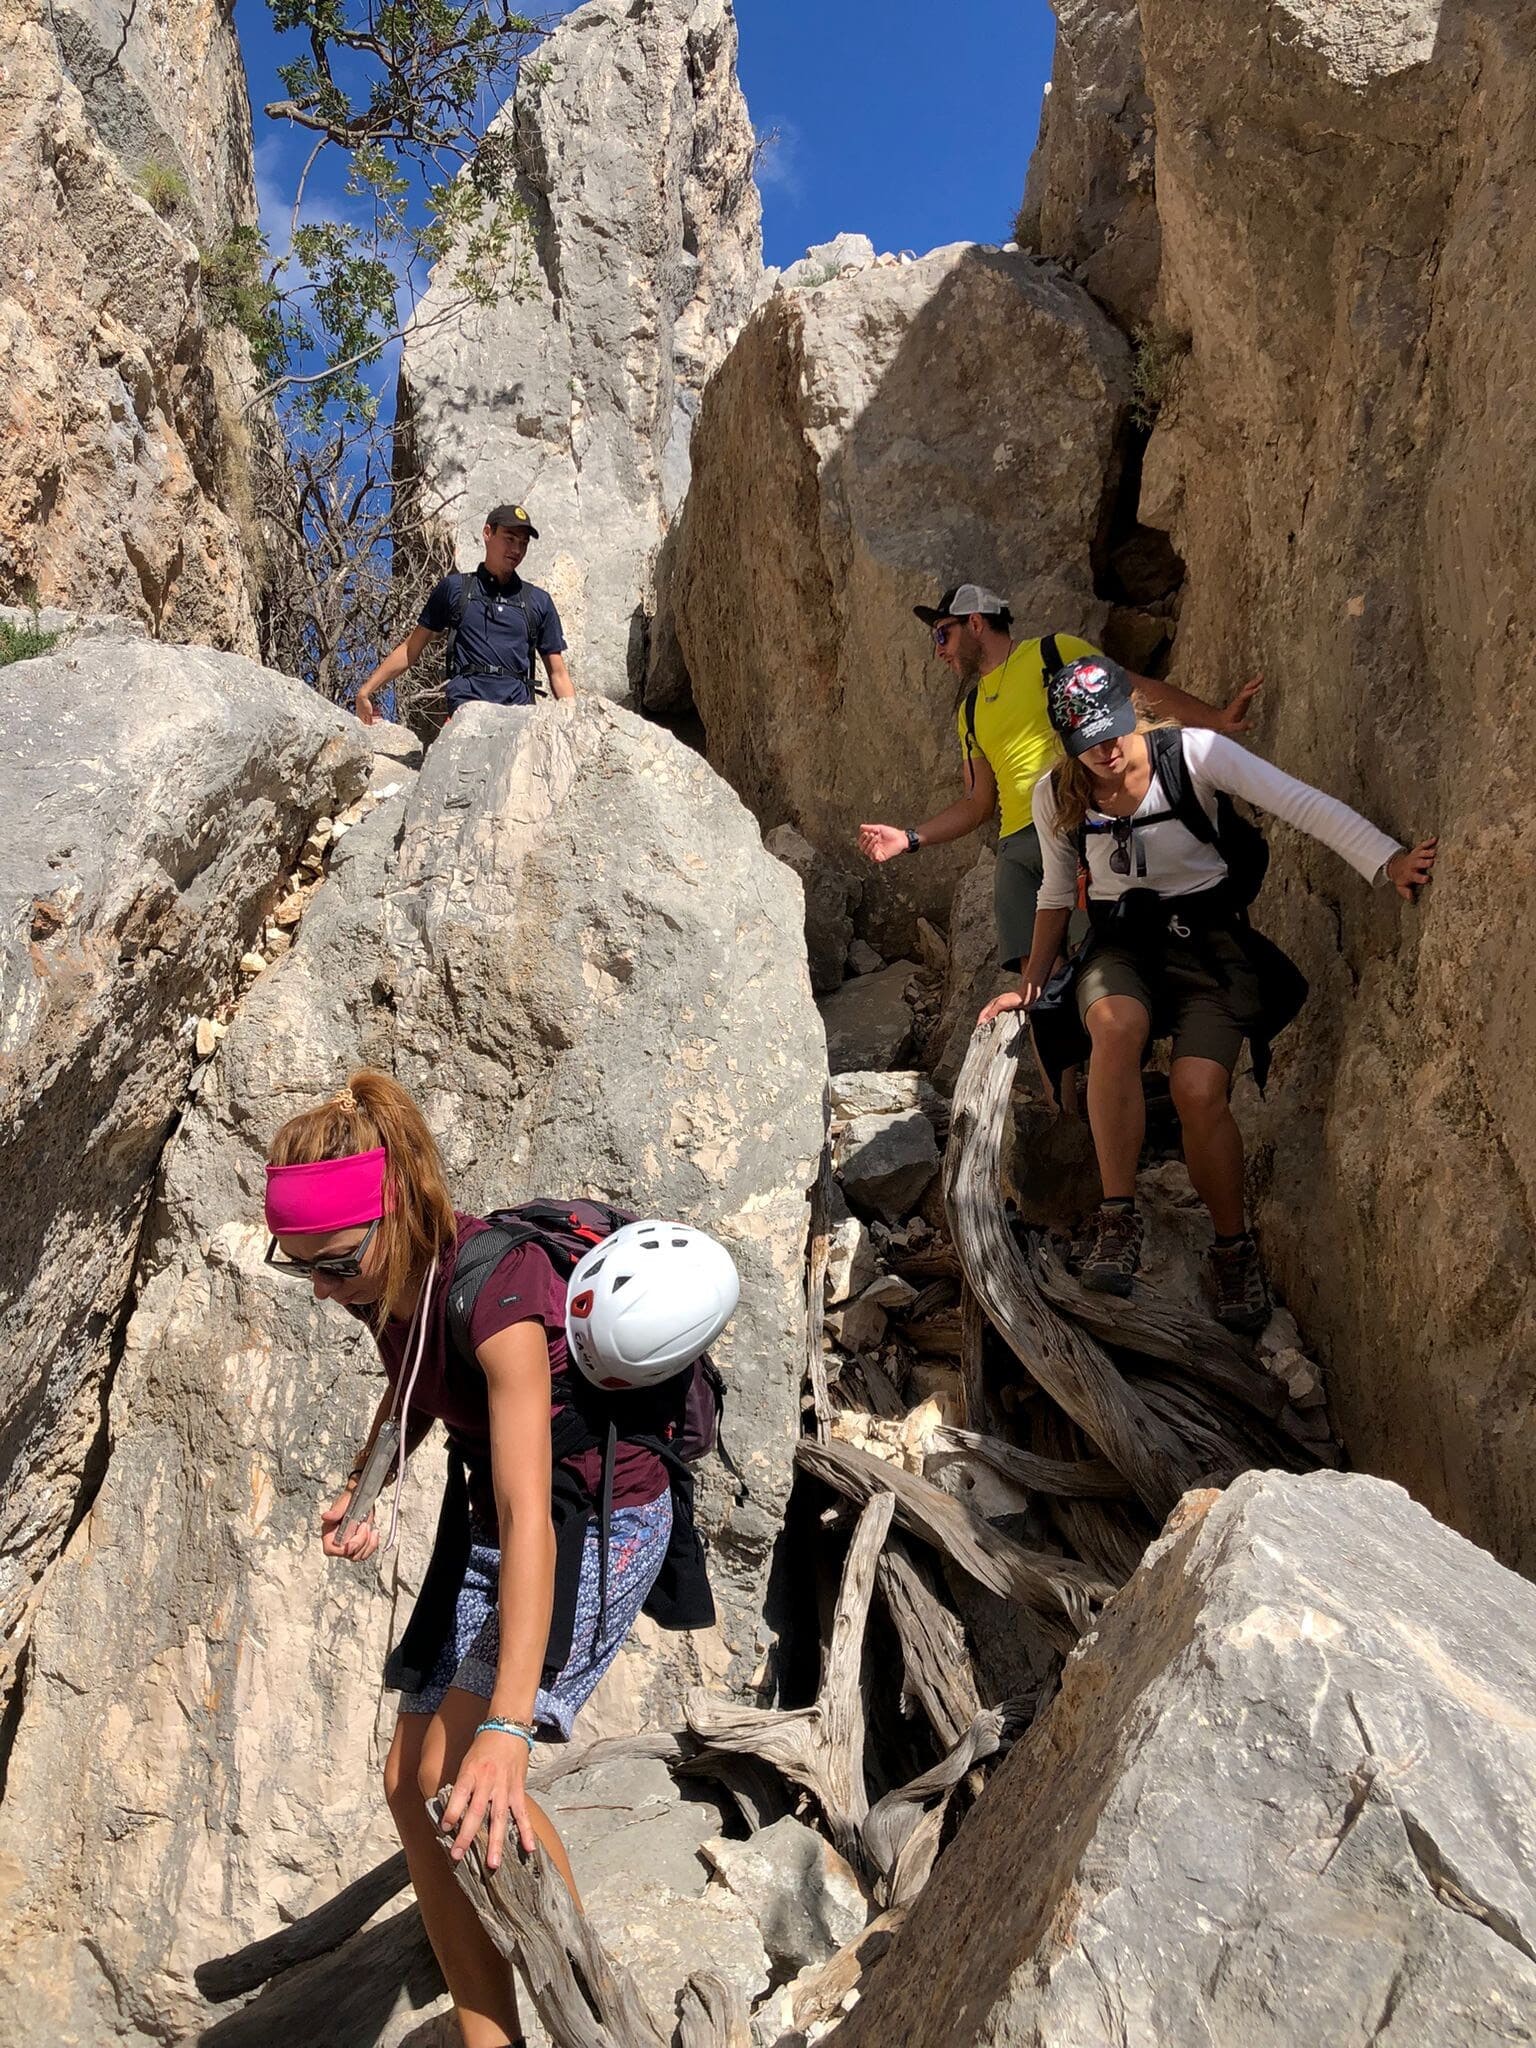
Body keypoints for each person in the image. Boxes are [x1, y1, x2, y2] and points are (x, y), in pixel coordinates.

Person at [261, 1073, 738, 2048]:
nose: (321, 1287)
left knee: (475, 1781)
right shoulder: (388, 1277)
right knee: (414, 1777)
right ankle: (492, 2033)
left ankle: (584, 2017)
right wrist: (369, 1486)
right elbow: (413, 1381)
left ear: (393, 1217)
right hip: (499, 1511)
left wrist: (512, 1725)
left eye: (334, 1263)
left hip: (596, 1523)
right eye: (299, 1264)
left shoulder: (501, 1297)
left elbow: (534, 1519)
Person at [979, 656, 1437, 1331]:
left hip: (1209, 948)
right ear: (1066, 739)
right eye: (1087, 740)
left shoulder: (1194, 755)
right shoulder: (1057, 794)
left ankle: (1232, 1249)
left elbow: (1300, 804)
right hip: (1122, 945)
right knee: (1112, 1025)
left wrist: (1385, 859)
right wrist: (1033, 982)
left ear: (1132, 709)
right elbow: (1054, 892)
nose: (1105, 750)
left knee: (1198, 1092)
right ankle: (1117, 1218)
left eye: (1113, 730)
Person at [856, 584, 1262, 981]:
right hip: (1015, 849)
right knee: (1037, 985)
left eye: (942, 634)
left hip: (1072, 823)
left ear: (975, 623)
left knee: (1098, 968)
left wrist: (1216, 719)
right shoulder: (970, 710)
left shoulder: (1054, 653)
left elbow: (1132, 690)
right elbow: (977, 804)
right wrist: (909, 838)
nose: (938, 649)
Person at [355, 504, 573, 726]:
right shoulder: (456, 589)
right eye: (509, 538)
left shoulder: (538, 601)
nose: (517, 550)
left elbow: (558, 673)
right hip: (465, 715)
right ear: (487, 533)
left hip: (518, 719)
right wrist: (366, 691)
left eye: (523, 543)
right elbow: (411, 649)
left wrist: (573, 724)